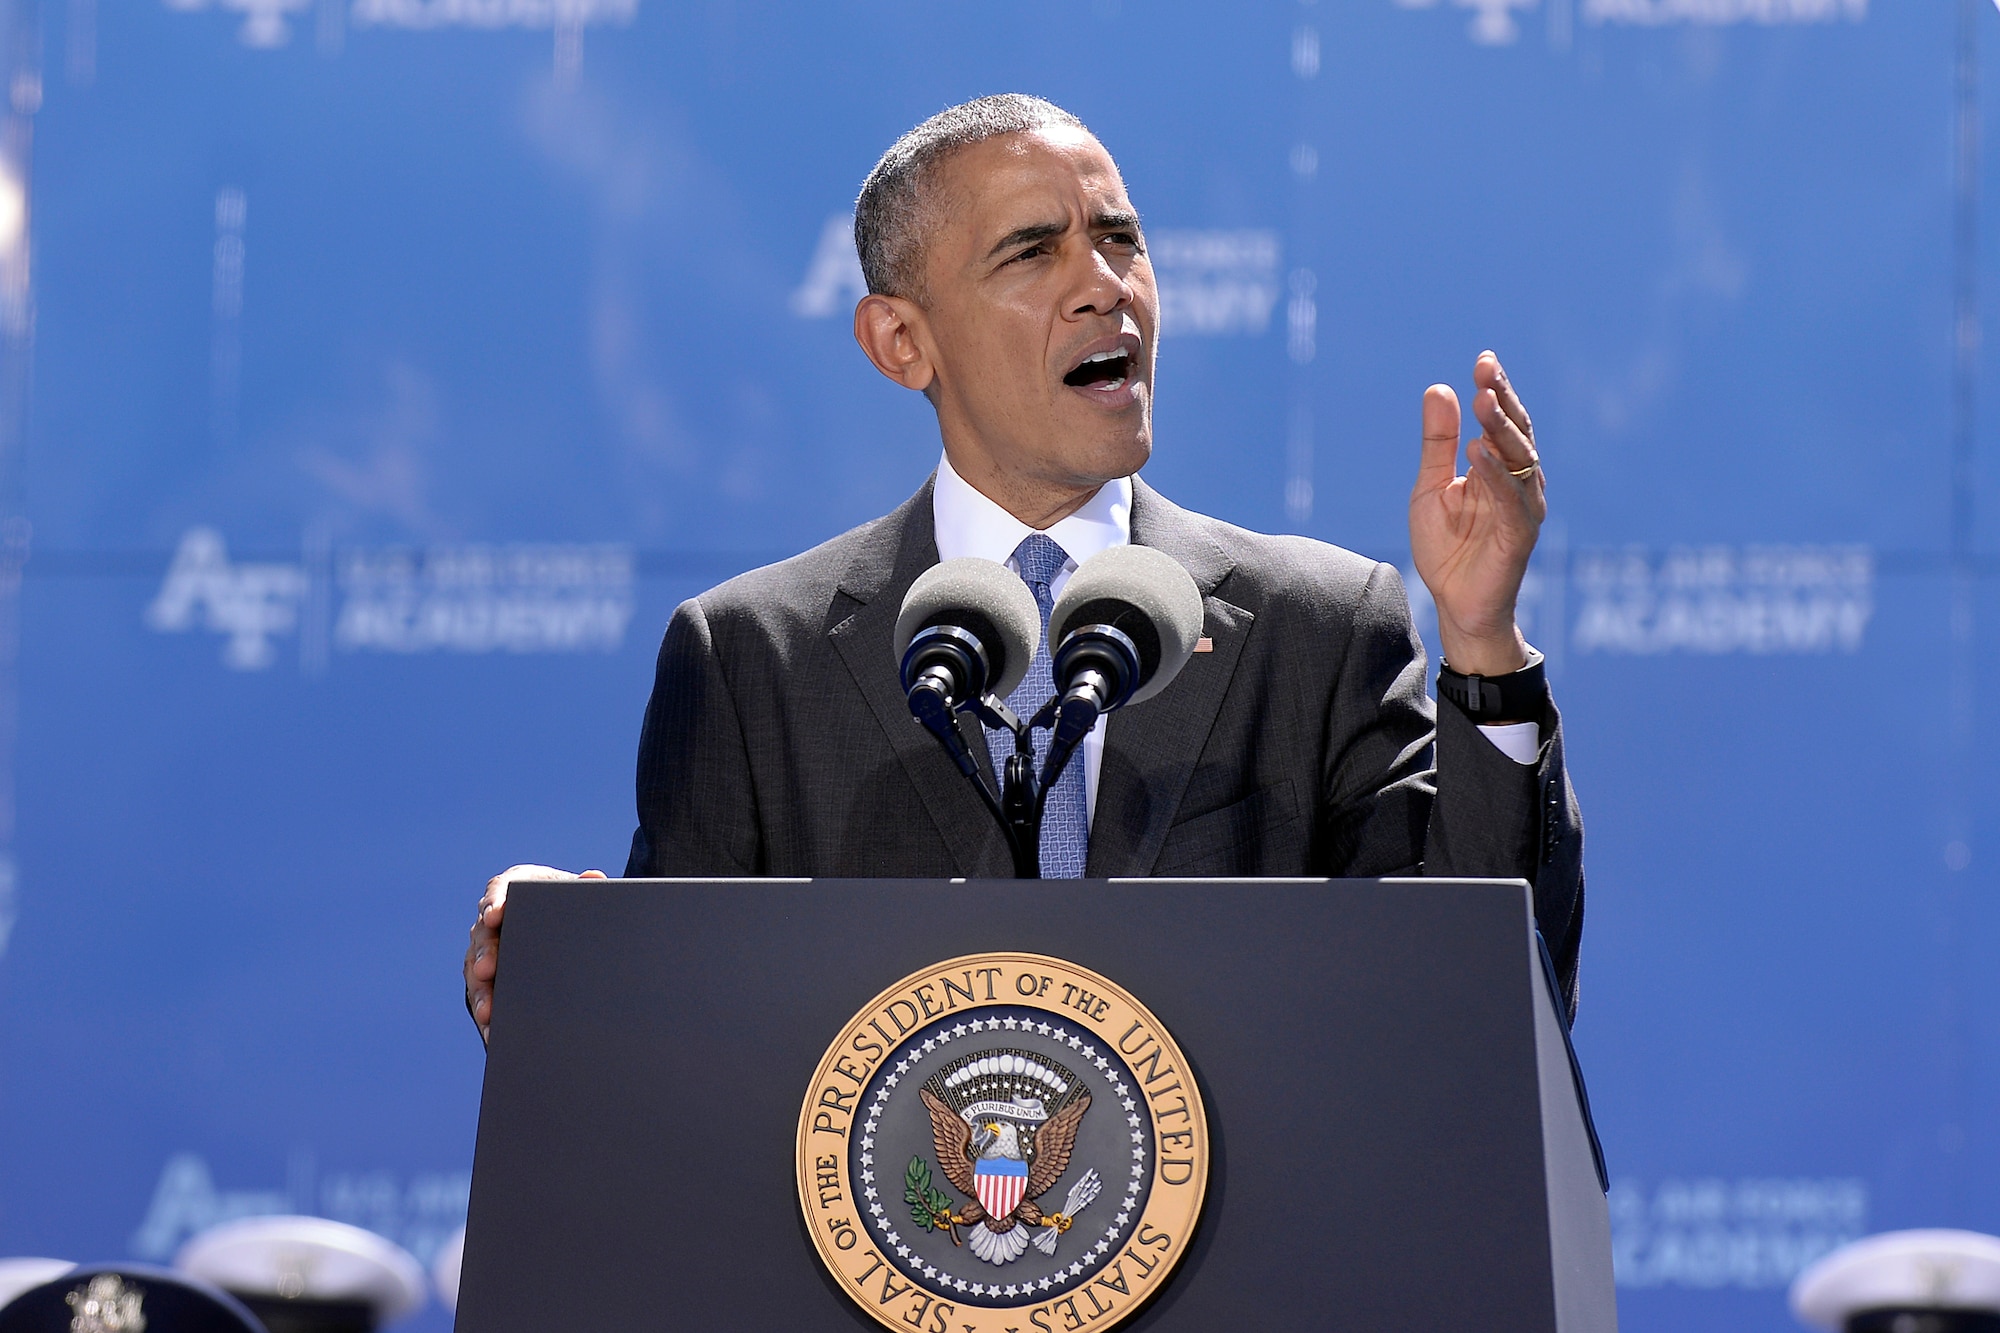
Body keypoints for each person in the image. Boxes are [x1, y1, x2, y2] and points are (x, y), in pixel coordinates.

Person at [464, 94, 1583, 1043]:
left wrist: (1479, 641)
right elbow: (679, 1047)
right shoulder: (757, 657)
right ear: (902, 342)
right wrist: (562, 976)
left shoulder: (1318, 625)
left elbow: (1478, 1002)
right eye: (1032, 251)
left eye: (1121, 237)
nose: (1104, 285)